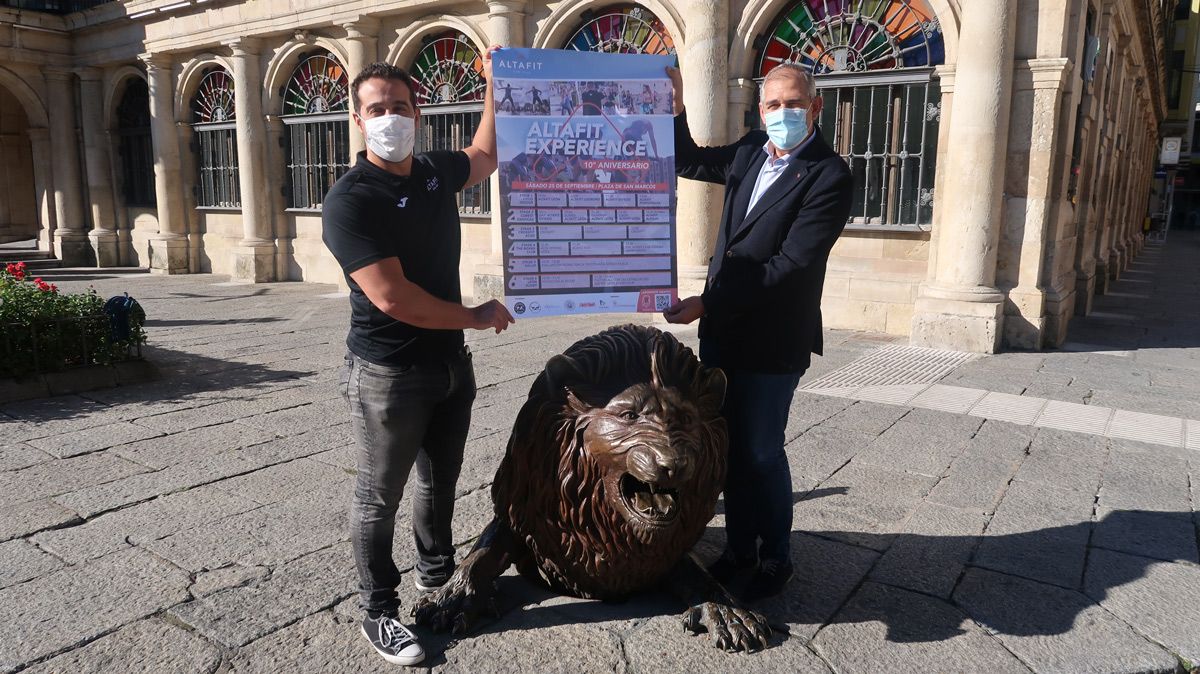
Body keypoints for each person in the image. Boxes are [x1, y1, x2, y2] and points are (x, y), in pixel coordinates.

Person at [322, 50, 514, 667]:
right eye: (376, 109)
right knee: (379, 497)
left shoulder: (431, 171)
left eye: (399, 108)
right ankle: (378, 611)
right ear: (357, 120)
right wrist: (476, 316)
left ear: (418, 113)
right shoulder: (351, 200)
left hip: (450, 365)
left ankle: (438, 579)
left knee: (440, 482)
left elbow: (484, 156)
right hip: (388, 373)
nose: (389, 118)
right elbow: (392, 297)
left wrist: (492, 87)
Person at [662, 63, 853, 602]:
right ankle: (739, 549)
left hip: (774, 338)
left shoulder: (829, 174)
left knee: (762, 451)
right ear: (760, 110)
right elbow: (691, 160)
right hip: (724, 334)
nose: (782, 114)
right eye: (772, 105)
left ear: (814, 108)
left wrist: (705, 300)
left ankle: (777, 557)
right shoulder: (749, 150)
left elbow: (789, 266)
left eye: (793, 104)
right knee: (727, 449)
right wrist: (676, 109)